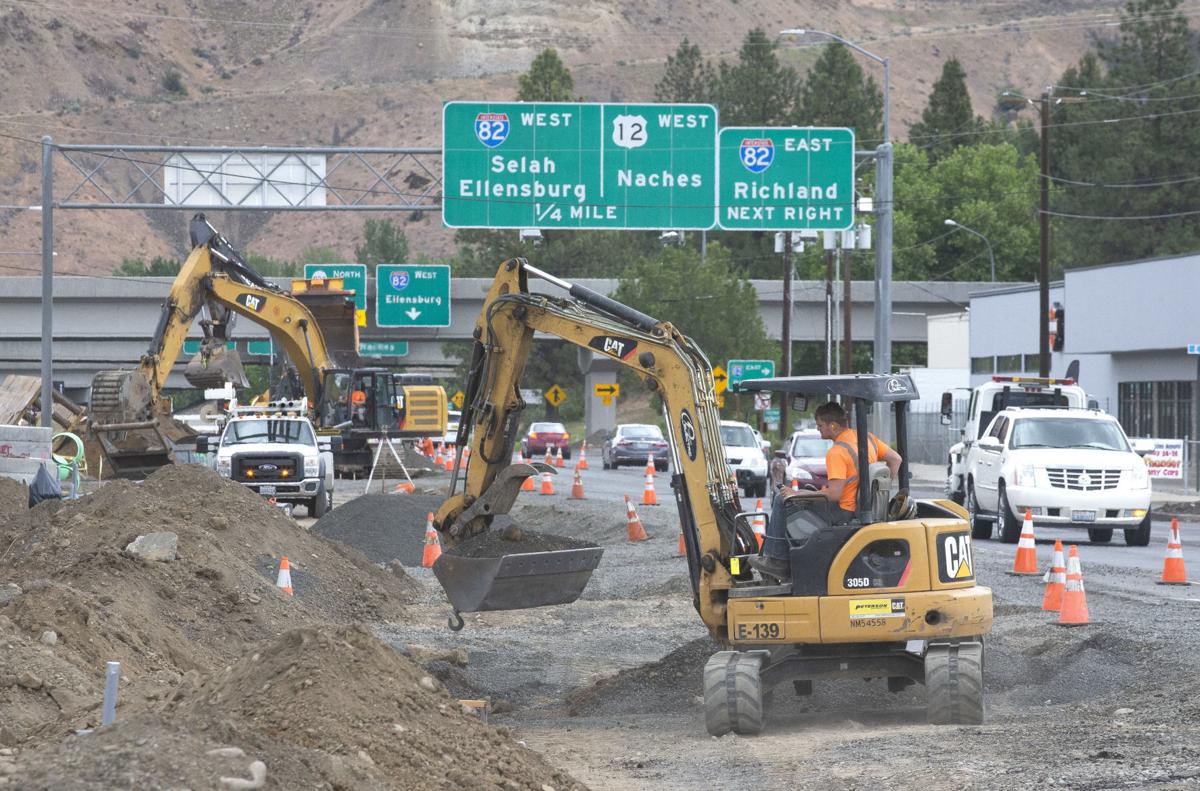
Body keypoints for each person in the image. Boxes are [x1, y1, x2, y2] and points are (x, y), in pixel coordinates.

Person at [750, 401, 902, 581]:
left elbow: (835, 495)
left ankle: (777, 561)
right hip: (858, 509)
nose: (818, 428)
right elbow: (896, 460)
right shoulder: (867, 439)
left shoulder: (837, 452)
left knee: (782, 500)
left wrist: (797, 494)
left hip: (842, 512)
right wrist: (883, 488)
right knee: (804, 493)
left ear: (833, 426)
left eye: (820, 425)